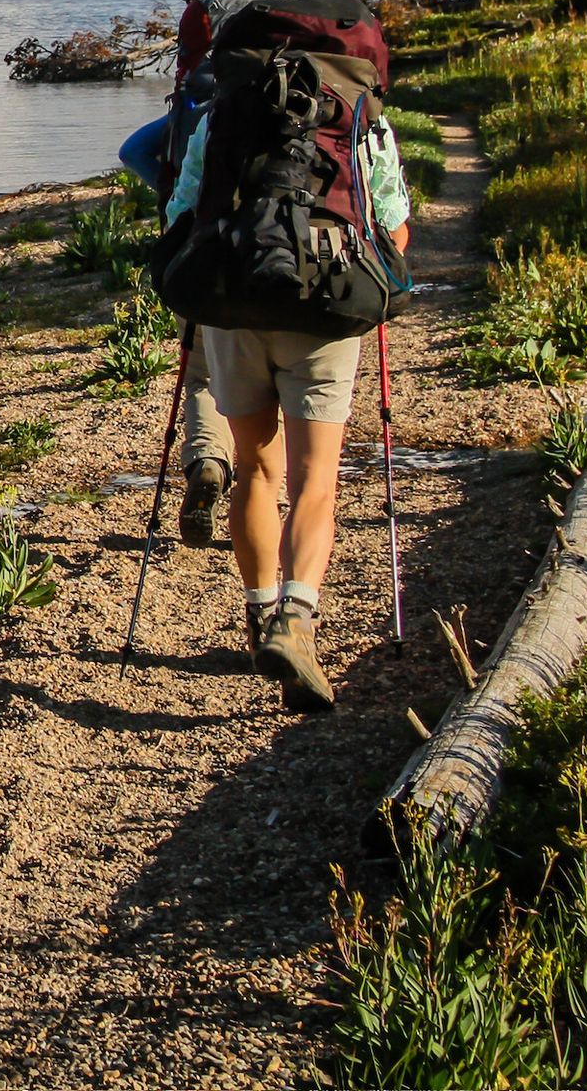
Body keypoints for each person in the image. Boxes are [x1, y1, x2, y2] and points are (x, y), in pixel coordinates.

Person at [163, 86, 410, 711]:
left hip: (235, 300)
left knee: (255, 467)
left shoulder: (223, 113)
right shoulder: (359, 114)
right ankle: (297, 619)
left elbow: (182, 213)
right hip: (324, 302)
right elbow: (394, 225)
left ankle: (259, 614)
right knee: (314, 479)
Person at [117, 0, 303, 549]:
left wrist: (174, 192)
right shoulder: (301, 92)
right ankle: (271, 502)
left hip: (206, 255)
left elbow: (133, 151)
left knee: (201, 376)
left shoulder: (202, 102)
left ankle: (206, 465)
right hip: (294, 257)